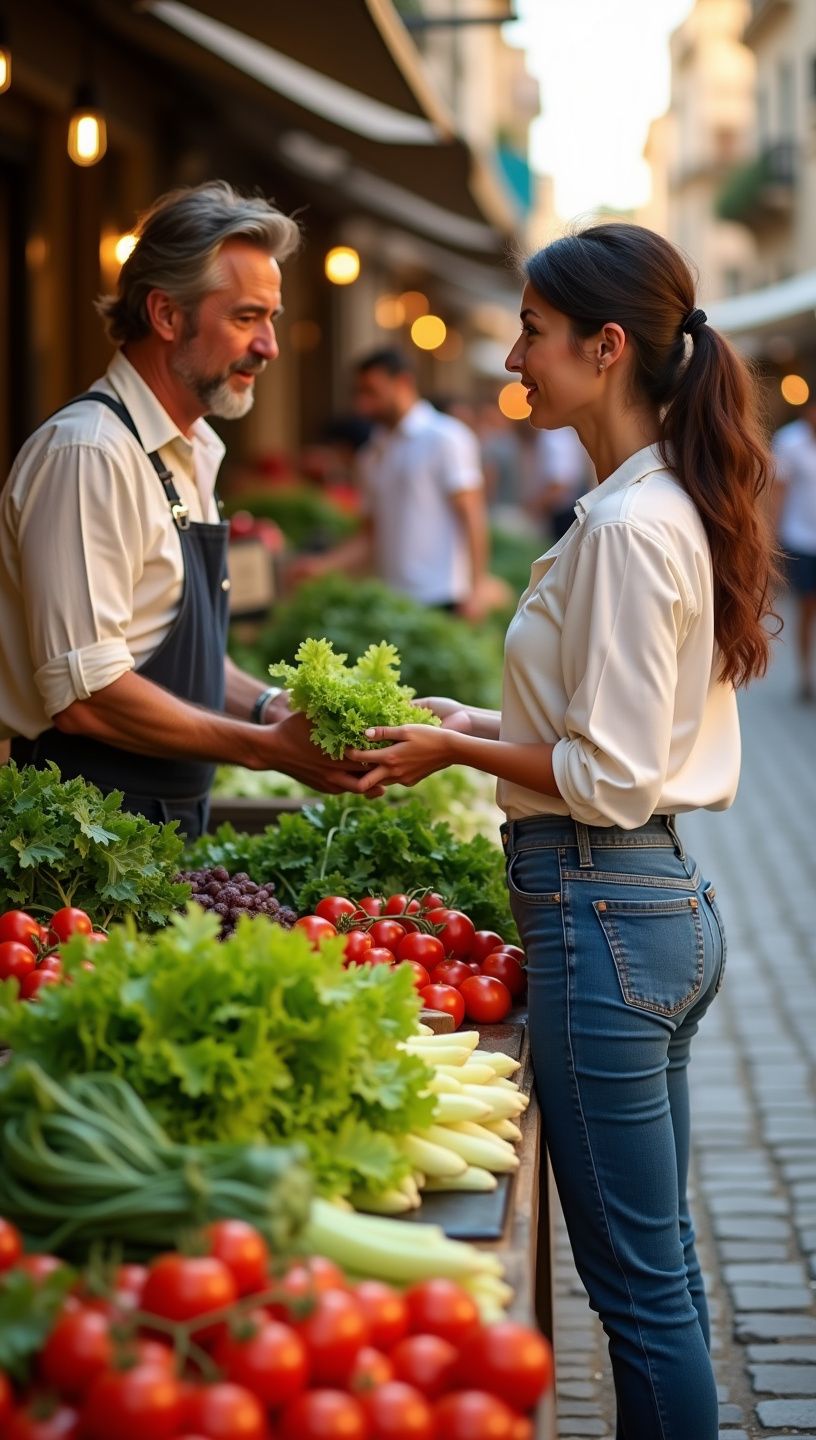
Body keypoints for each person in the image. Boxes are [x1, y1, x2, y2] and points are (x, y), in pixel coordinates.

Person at [347, 223, 780, 1439]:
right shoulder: (627, 509)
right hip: (631, 910)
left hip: (607, 908)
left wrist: (454, 750)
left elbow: (609, 772)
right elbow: (594, 727)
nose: (512, 355)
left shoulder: (637, 528)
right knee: (663, 1284)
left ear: (604, 347)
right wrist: (470, 716)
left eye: (531, 333)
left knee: (643, 1301)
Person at [0, 181, 376, 836]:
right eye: (245, 318)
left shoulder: (192, 449)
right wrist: (267, 750)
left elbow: (170, 650)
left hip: (159, 822)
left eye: (272, 319)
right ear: (167, 316)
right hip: (78, 838)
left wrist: (268, 706)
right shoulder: (90, 455)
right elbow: (87, 698)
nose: (270, 347)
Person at [288, 349, 491, 619]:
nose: (363, 404)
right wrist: (323, 566)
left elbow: (472, 516)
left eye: (371, 391)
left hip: (444, 596)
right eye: (359, 393)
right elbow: (369, 535)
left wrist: (477, 590)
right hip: (391, 601)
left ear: (403, 382)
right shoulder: (371, 455)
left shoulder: (447, 437)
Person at [772, 402, 816, 700]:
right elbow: (777, 492)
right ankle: (805, 676)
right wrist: (770, 540)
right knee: (806, 607)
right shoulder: (789, 441)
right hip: (801, 538)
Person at [524, 424, 595, 541]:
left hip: (563, 513)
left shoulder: (552, 436)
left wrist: (532, 508)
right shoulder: (561, 435)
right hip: (568, 508)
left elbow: (560, 485)